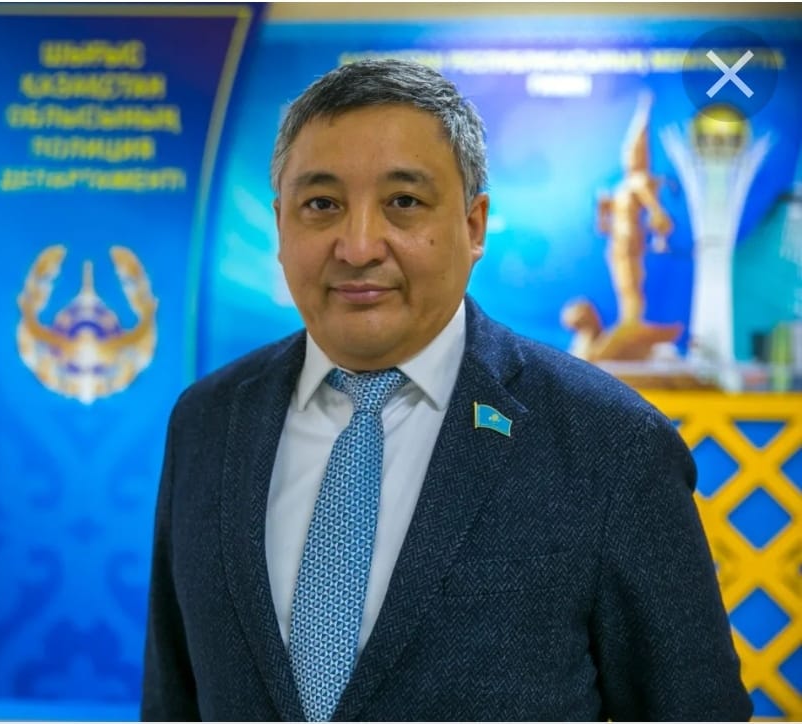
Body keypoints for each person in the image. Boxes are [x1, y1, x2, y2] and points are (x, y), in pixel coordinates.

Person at [141, 58, 751, 721]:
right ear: (281, 225)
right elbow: (173, 698)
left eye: (404, 202)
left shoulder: (611, 445)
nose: (359, 246)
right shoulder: (208, 422)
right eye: (322, 205)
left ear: (473, 224)